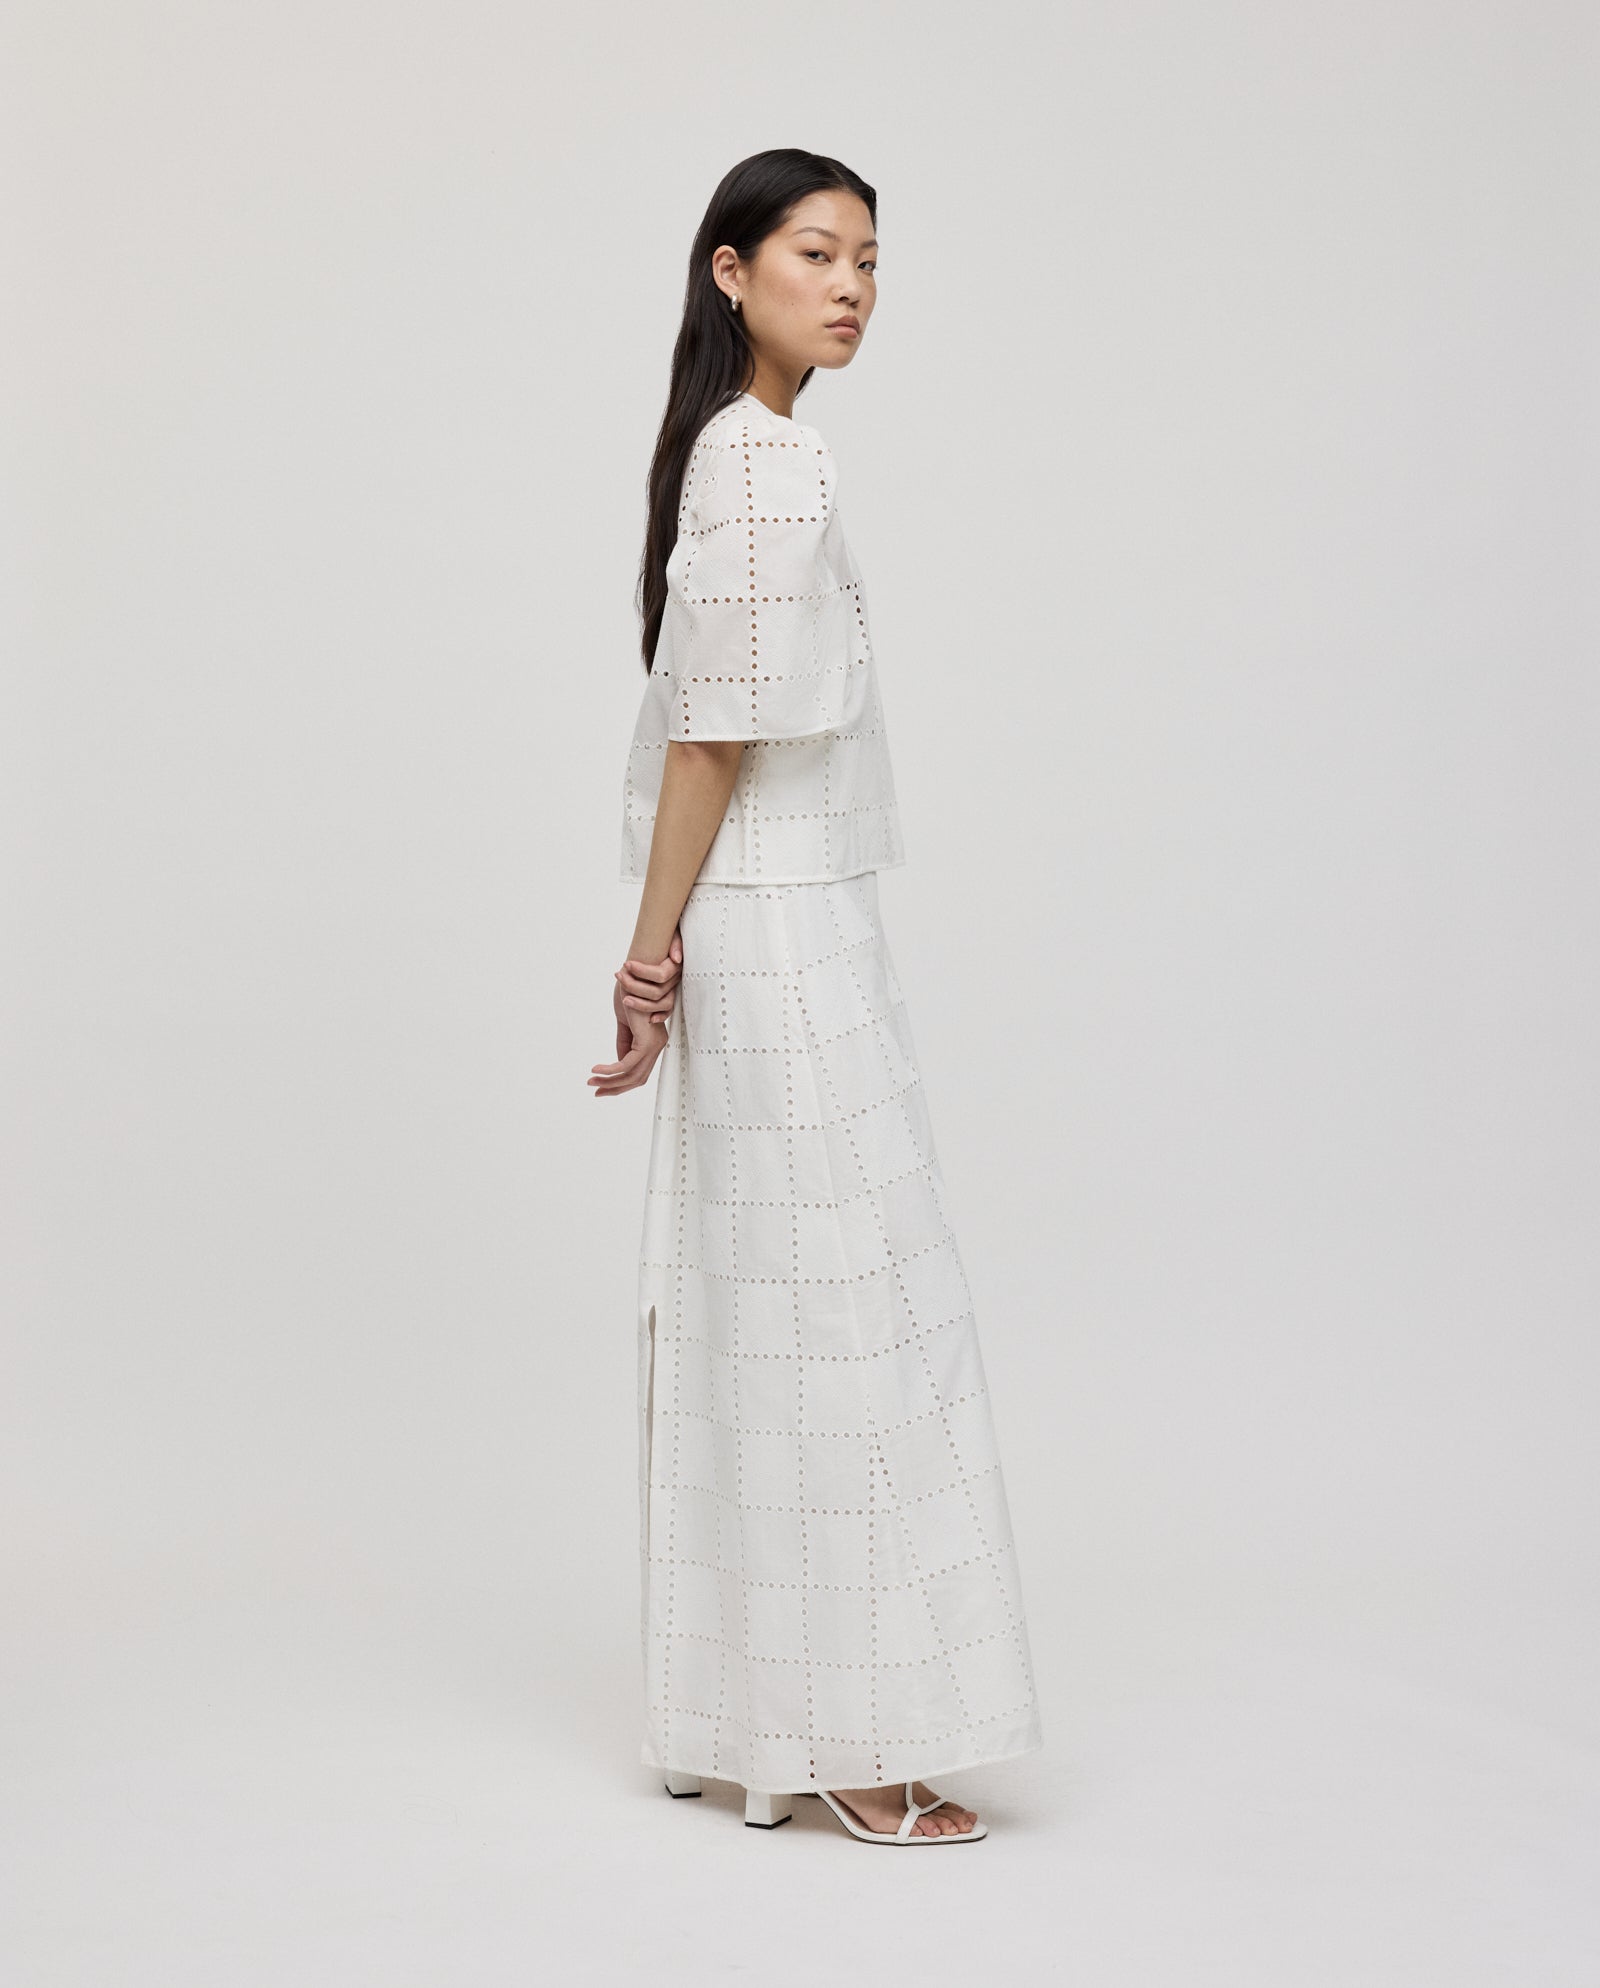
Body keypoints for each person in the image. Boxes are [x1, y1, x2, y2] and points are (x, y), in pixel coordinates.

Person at [590, 149, 1044, 1846]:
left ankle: (746, 1719)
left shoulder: (732, 449)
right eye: (814, 253)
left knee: (767, 1307)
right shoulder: (768, 458)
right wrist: (652, 960)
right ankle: (852, 1736)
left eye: (869, 260)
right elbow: (711, 738)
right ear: (731, 272)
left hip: (770, 923)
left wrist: (665, 950)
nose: (851, 286)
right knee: (850, 1313)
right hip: (782, 939)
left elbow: (715, 731)